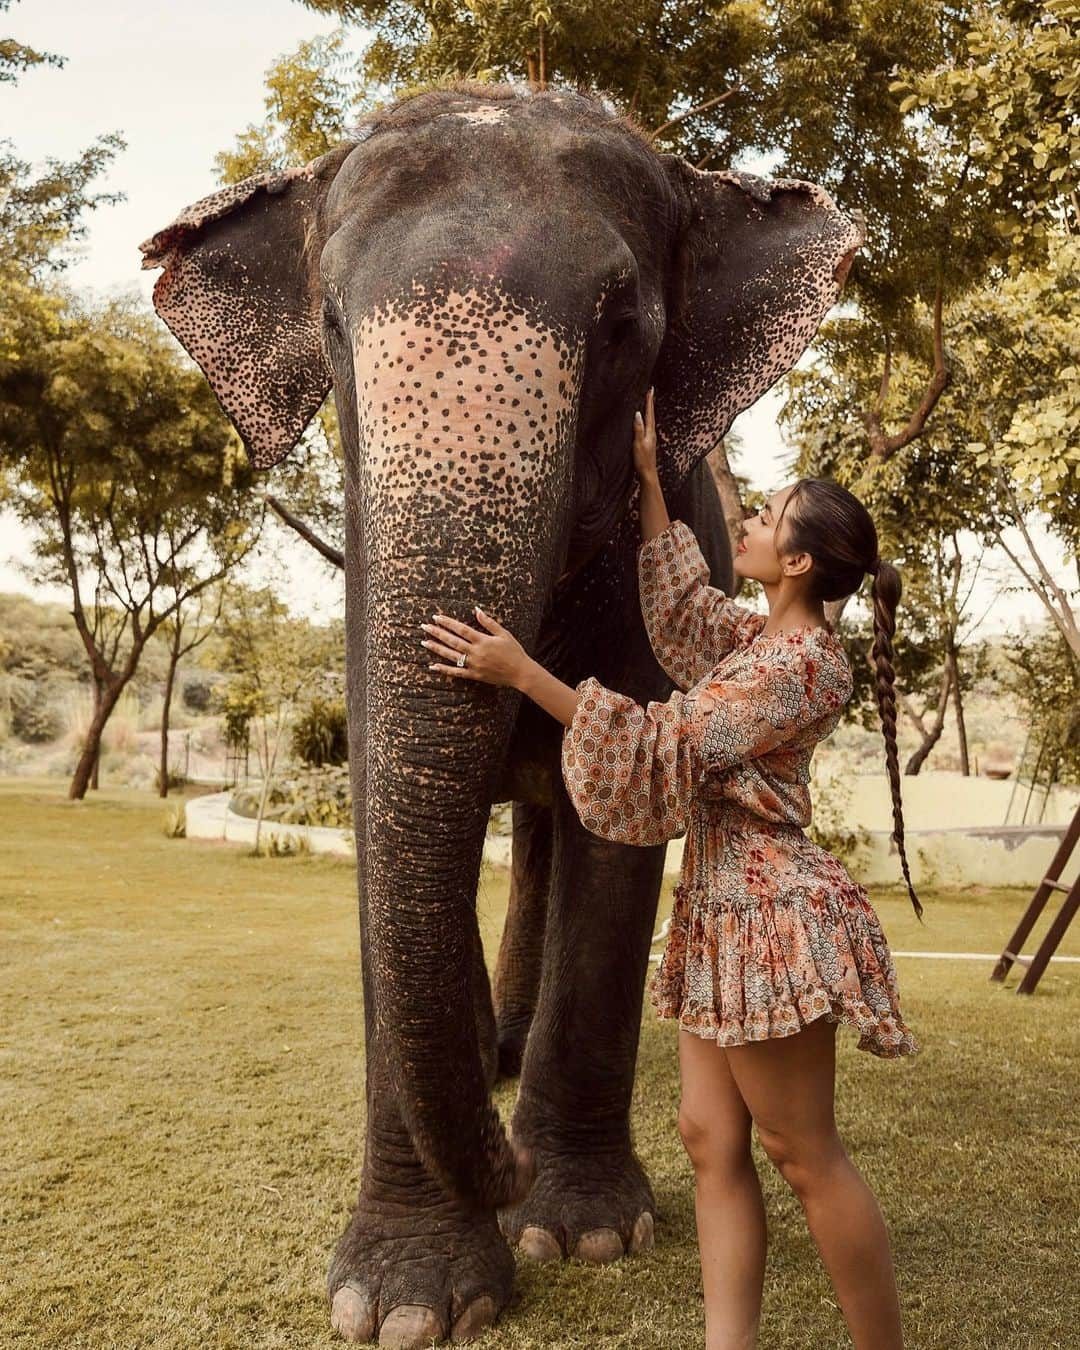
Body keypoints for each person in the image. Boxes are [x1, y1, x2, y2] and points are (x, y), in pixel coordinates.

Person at [419, 387, 921, 1350]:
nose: (752, 521)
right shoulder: (761, 638)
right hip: (719, 907)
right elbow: (687, 614)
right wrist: (652, 482)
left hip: (771, 913)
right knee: (710, 1138)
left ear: (801, 561)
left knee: (800, 1150)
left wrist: (524, 674)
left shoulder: (799, 666)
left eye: (769, 518)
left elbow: (667, 742)